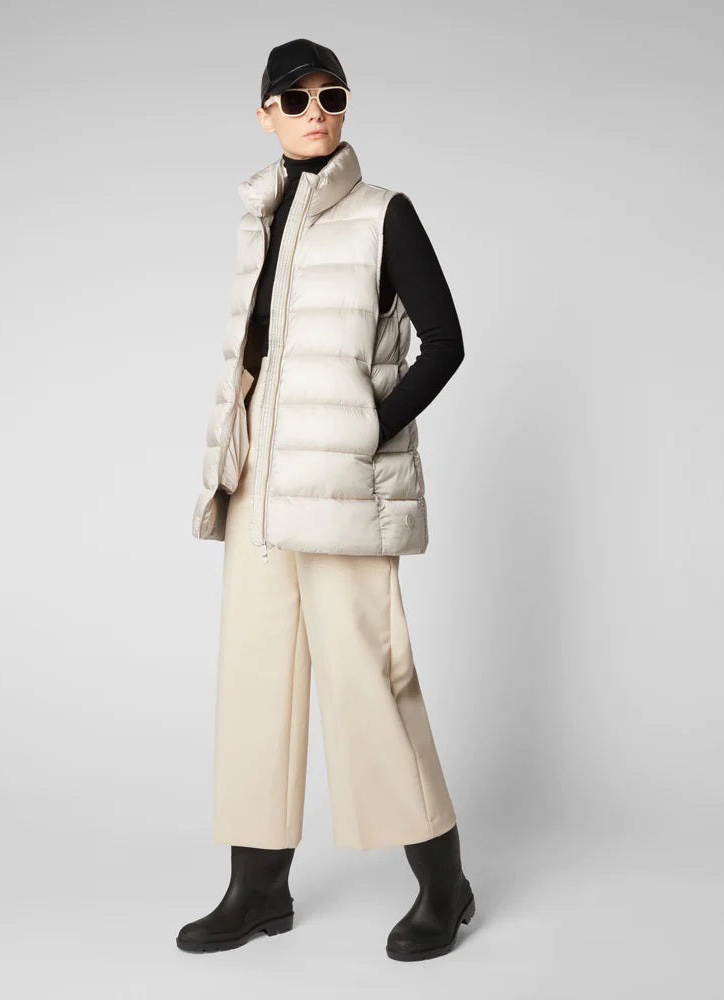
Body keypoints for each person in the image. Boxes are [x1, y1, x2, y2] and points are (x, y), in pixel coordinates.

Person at [181, 38, 473, 961]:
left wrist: (366, 429)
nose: (315, 113)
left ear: (345, 107)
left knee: (369, 680)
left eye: (331, 96)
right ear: (265, 114)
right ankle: (258, 889)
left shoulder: (385, 214)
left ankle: (444, 883)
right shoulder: (259, 218)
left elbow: (445, 342)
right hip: (258, 485)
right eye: (295, 99)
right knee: (256, 681)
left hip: (344, 485)